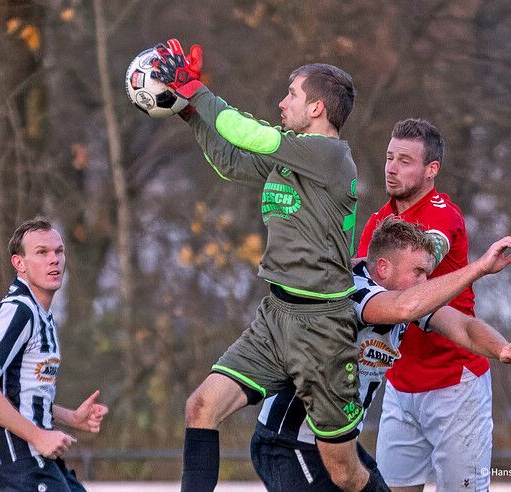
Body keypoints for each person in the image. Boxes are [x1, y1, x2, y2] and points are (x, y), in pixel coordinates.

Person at [145, 39, 378, 491]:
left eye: (291, 94)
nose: (281, 101)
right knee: (201, 408)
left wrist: (196, 90)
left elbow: (245, 132)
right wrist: (190, 112)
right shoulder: (291, 156)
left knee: (345, 473)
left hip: (322, 327)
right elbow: (230, 160)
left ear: (316, 108)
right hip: (276, 318)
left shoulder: (328, 156)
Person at [251, 218, 511, 491]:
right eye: (418, 272)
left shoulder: (403, 300)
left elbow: (463, 326)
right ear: (384, 268)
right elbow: (404, 307)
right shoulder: (351, 290)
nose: (425, 281)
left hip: (336, 444)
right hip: (288, 442)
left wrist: (501, 348)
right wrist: (478, 268)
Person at [356, 118, 495, 491]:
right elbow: (359, 286)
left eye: (404, 160)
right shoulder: (379, 223)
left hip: (454, 384)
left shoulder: (442, 216)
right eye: (389, 157)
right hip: (399, 387)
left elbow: (425, 256)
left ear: (431, 170)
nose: (391, 167)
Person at [0, 217, 108, 492]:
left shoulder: (43, 317)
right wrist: (39, 436)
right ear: (19, 263)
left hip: (37, 458)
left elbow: (17, 394)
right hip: (17, 460)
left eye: (59, 251)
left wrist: (72, 418)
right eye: (42, 252)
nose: (54, 260)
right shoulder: (18, 312)